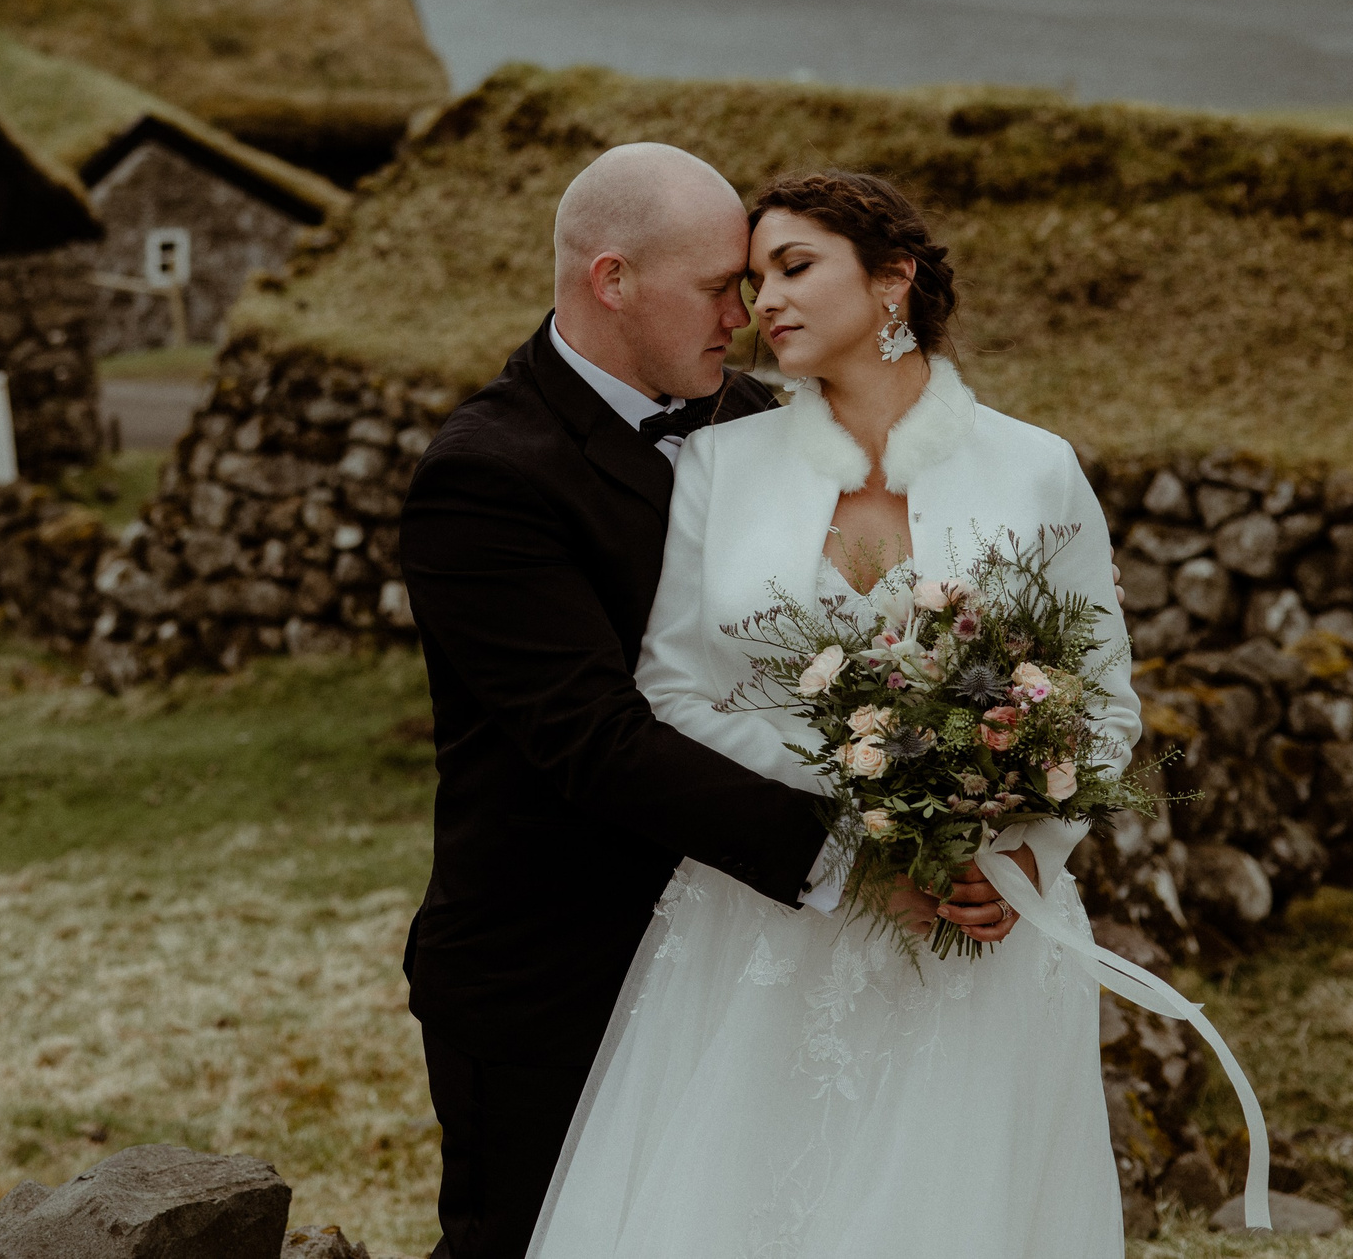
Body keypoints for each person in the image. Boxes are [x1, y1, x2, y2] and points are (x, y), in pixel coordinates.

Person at [524, 169, 1268, 1259]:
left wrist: (1018, 856)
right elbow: (673, 690)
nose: (760, 302)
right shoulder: (723, 462)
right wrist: (857, 817)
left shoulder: (1032, 468)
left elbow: (1104, 705)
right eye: (747, 278)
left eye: (793, 267)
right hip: (765, 921)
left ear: (891, 281)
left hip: (976, 931)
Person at [398, 145, 1046, 1259]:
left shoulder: (764, 420)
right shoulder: (486, 475)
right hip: (560, 975)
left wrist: (959, 797)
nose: (744, 317)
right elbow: (594, 742)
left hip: (749, 966)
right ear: (612, 281)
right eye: (716, 287)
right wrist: (864, 862)